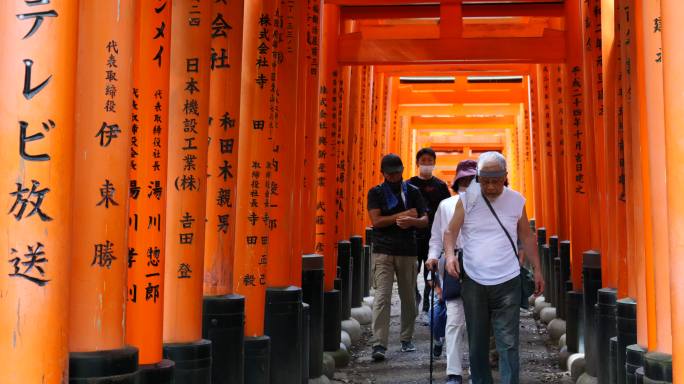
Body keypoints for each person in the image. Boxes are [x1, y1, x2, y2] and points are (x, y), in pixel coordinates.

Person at [442, 152, 544, 384]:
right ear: (478, 177)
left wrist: (537, 269)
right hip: (474, 280)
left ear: (505, 176)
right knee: (477, 342)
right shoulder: (467, 199)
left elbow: (526, 236)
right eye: (485, 180)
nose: (490, 186)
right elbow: (450, 231)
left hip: (507, 279)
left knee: (508, 342)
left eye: (495, 180)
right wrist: (449, 256)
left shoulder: (516, 200)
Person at [367, 153, 428, 361]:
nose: (394, 176)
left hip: (408, 250)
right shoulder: (375, 193)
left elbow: (424, 219)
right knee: (382, 297)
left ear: (403, 170)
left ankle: (406, 337)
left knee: (408, 297)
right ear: (382, 173)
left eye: (398, 172)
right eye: (390, 173)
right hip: (383, 250)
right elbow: (376, 221)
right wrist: (401, 217)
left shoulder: (413, 191)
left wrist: (413, 222)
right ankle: (379, 343)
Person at [425, 159, 477, 384]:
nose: (467, 184)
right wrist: (433, 256)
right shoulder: (446, 205)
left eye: (472, 180)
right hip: (454, 261)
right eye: (463, 180)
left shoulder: (486, 204)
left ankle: (477, 370)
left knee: (478, 320)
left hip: (480, 263)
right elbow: (437, 235)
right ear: (456, 182)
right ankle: (453, 371)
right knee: (455, 317)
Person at [408, 148, 451, 312]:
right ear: (417, 163)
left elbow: (447, 209)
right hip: (412, 235)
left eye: (429, 161)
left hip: (433, 236)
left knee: (430, 270)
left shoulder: (440, 186)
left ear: (434, 163)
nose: (426, 164)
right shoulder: (409, 184)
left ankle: (427, 298)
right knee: (411, 271)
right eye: (423, 161)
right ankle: (416, 293)